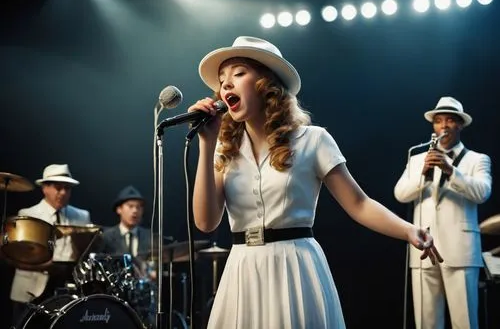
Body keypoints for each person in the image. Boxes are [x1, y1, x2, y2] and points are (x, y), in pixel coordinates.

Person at [186, 36, 443, 329]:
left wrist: (408, 230)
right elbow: (205, 223)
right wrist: (206, 144)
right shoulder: (223, 147)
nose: (226, 85)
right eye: (222, 80)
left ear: (267, 84)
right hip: (242, 269)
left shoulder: (313, 140)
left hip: (294, 268)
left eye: (239, 73)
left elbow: (359, 204)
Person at [394, 96, 492, 329]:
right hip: (423, 250)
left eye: (450, 120)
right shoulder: (418, 158)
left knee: (465, 322)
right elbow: (399, 194)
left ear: (460, 125)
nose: (444, 126)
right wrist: (422, 176)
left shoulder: (477, 159)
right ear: (434, 127)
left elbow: (482, 193)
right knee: (426, 323)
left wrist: (451, 171)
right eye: (439, 121)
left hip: (460, 251)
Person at [10, 163, 91, 326]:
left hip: (68, 285)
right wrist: (44, 264)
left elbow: (86, 252)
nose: (62, 193)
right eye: (57, 187)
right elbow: (17, 256)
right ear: (44, 188)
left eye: (67, 188)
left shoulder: (82, 216)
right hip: (32, 286)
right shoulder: (28, 214)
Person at [99, 185, 152, 257]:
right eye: (130, 206)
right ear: (119, 209)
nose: (135, 211)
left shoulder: (150, 237)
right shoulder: (106, 237)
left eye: (138, 207)